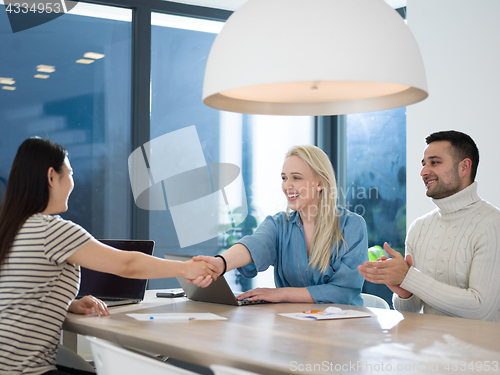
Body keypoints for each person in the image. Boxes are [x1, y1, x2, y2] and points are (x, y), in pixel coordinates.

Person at [0, 137, 218, 375]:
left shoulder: (10, 229)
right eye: (70, 173)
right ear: (52, 176)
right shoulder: (51, 230)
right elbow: (128, 265)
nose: (73, 182)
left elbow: (16, 296)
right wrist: (185, 268)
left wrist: (67, 304)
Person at [195, 145, 368, 305]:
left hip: (342, 327)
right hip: (292, 326)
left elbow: (344, 291)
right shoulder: (278, 224)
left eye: (296, 178)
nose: (287, 186)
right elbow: (255, 245)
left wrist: (282, 294)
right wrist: (220, 263)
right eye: (284, 178)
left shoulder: (351, 226)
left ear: (320, 183)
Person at [358, 130, 500, 321]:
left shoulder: (492, 225)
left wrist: (409, 277)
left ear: (464, 167)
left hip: (478, 349)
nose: (423, 172)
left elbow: (481, 309)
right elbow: (411, 311)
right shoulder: (419, 227)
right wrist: (403, 291)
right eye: (424, 164)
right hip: (428, 343)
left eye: (435, 162)